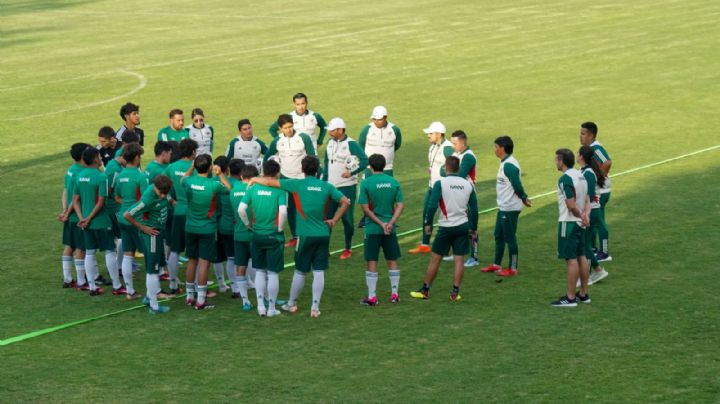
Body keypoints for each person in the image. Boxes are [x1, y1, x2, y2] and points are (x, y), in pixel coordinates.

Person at [249, 156, 350, 318]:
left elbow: (269, 182)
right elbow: (346, 202)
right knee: (319, 271)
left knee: (300, 271)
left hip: (304, 236)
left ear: (302, 169)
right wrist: (334, 220)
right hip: (323, 234)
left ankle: (291, 303)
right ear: (317, 170)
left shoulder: (296, 184)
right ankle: (315, 308)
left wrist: (254, 178)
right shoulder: (327, 186)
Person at [410, 156, 478, 301]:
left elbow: (432, 205)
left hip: (446, 228)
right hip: (462, 226)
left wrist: (428, 223)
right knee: (459, 260)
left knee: (435, 260)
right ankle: (455, 293)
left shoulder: (440, 183)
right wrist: (474, 228)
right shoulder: (467, 185)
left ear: (446, 168)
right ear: (458, 168)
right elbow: (474, 209)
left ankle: (425, 290)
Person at [181, 154, 232, 310]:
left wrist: (192, 167)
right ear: (210, 167)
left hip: (190, 226)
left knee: (192, 260)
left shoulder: (189, 182)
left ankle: (189, 296)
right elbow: (229, 188)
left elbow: (183, 178)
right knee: (204, 263)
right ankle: (201, 300)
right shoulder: (213, 184)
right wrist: (221, 174)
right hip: (207, 228)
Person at [238, 160, 288, 317]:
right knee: (273, 273)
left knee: (259, 270)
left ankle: (260, 306)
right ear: (277, 173)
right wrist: (279, 228)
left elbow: (241, 209)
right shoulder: (280, 190)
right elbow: (283, 212)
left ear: (263, 171)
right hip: (273, 234)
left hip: (257, 233)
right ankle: (272, 308)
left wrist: (248, 225)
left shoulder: (253, 188)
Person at [72, 148, 123, 296]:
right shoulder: (101, 177)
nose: (101, 159)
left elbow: (75, 200)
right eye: (99, 157)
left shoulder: (79, 176)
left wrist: (83, 218)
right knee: (109, 251)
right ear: (95, 159)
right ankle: (116, 285)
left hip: (85, 223)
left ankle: (93, 287)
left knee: (89, 252)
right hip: (101, 221)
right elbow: (101, 202)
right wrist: (89, 218)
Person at [480, 136, 531, 277]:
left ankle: (512, 268)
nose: (494, 150)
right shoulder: (505, 163)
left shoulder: (509, 165)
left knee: (510, 238)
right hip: (503, 207)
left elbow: (517, 184)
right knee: (498, 235)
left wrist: (524, 198)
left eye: (496, 147)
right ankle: (496, 264)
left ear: (502, 148)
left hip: (510, 208)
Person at [122, 175, 174, 313]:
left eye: (165, 193)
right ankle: (154, 306)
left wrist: (173, 201)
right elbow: (127, 215)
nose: (162, 196)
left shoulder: (162, 190)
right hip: (152, 235)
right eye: (160, 193)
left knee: (154, 267)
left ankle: (148, 297)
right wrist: (142, 228)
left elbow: (167, 197)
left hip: (158, 233)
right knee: (152, 269)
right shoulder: (148, 199)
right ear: (155, 188)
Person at [358, 154, 404, 306]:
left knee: (372, 260)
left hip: (373, 229)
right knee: (392, 260)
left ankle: (372, 297)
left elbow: (365, 209)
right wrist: (389, 223)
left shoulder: (366, 183)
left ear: (370, 167)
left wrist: (380, 223)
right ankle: (395, 294)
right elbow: (400, 205)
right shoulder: (394, 182)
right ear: (384, 166)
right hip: (390, 230)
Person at [264, 113, 316, 248]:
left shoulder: (303, 138)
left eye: (290, 126)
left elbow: (312, 158)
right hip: (286, 180)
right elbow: (267, 156)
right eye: (285, 128)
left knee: (304, 209)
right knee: (291, 209)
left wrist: (313, 178)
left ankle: (307, 235)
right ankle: (295, 237)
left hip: (301, 180)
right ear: (280, 128)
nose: (289, 130)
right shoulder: (277, 141)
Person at [322, 117, 368, 259]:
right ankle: (325, 248)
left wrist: (351, 173)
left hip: (346, 187)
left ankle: (348, 247)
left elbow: (365, 160)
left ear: (340, 130)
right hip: (330, 187)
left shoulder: (351, 144)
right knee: (327, 217)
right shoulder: (330, 143)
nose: (329, 133)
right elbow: (326, 162)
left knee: (347, 219)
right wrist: (324, 181)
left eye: (332, 130)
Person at [551, 148, 591, 307]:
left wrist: (580, 215)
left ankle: (570, 297)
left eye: (556, 160)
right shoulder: (581, 176)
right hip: (580, 224)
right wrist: (585, 216)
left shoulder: (565, 179)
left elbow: (570, 204)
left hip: (568, 223)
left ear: (561, 161)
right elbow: (588, 200)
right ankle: (584, 293)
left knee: (571, 260)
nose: (555, 162)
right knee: (582, 256)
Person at [408, 121, 453, 254]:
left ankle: (446, 248)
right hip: (432, 186)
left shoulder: (447, 148)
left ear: (439, 134)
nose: (428, 135)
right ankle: (425, 244)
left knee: (444, 218)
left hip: (443, 189)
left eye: (430, 133)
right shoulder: (433, 147)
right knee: (427, 214)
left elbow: (455, 166)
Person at [357, 105, 402, 228]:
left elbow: (397, 144)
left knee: (388, 192)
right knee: (368, 192)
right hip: (369, 168)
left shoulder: (394, 130)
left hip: (387, 167)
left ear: (386, 118)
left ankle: (390, 217)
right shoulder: (367, 129)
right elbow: (361, 145)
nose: (376, 122)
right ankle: (366, 217)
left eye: (379, 119)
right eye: (374, 119)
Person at [114, 143, 149, 300]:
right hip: (136, 220)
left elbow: (116, 197)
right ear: (136, 158)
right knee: (149, 253)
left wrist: (127, 205)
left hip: (122, 217)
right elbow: (146, 200)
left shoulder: (120, 175)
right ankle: (153, 291)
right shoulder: (140, 176)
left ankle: (130, 291)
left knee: (128, 254)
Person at [164, 138, 198, 295]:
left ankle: (173, 284)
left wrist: (171, 200)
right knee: (194, 254)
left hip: (178, 212)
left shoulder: (171, 167)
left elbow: (159, 186)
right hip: (193, 214)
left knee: (175, 250)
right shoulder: (196, 167)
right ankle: (197, 286)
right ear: (192, 152)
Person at [441, 130, 478, 266]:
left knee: (470, 224)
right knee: (456, 221)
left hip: (467, 193)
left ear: (462, 143)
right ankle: (457, 252)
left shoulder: (468, 157)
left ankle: (474, 257)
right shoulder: (456, 154)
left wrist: (447, 171)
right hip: (457, 191)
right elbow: (442, 169)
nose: (452, 146)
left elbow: (459, 174)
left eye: (455, 143)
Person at [58, 143, 91, 289]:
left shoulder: (70, 170)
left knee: (69, 245)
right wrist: (69, 212)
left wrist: (65, 210)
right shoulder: (81, 173)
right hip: (78, 216)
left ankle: (67, 278)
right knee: (80, 248)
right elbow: (76, 198)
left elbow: (66, 191)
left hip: (69, 215)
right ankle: (81, 281)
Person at [579, 121, 612, 262]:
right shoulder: (589, 148)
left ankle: (604, 253)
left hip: (602, 191)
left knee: (599, 221)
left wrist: (600, 178)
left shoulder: (596, 148)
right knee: (592, 221)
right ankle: (592, 249)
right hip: (597, 189)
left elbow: (607, 162)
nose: (580, 136)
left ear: (591, 135)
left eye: (583, 133)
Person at [578, 146, 609, 285]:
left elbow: (589, 195)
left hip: (592, 211)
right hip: (591, 210)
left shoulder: (588, 173)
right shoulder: (585, 171)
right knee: (585, 243)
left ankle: (591, 274)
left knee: (585, 244)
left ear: (582, 157)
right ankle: (595, 270)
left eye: (578, 153)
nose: (576, 155)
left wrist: (584, 213)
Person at [228, 160, 256, 311]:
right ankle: (262, 298)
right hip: (253, 234)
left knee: (240, 267)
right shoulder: (255, 189)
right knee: (259, 267)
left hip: (238, 233)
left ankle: (245, 301)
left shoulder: (233, 189)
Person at [210, 156, 238, 294]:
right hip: (228, 225)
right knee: (231, 257)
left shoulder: (208, 181)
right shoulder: (232, 183)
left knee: (217, 256)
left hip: (212, 225)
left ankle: (221, 284)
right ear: (227, 168)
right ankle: (236, 286)